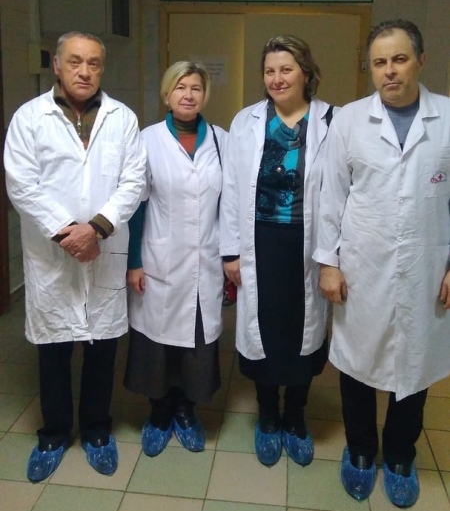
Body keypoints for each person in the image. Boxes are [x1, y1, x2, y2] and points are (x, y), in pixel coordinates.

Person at [314, 19, 450, 508]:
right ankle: (360, 449)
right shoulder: (349, 120)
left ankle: (399, 454)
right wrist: (328, 263)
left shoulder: (447, 117)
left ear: (420, 61)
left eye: (399, 59)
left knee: (414, 363)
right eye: (379, 62)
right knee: (357, 362)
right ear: (369, 68)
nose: (389, 71)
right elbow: (330, 197)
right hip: (362, 266)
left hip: (427, 266)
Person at [4, 32, 146, 482]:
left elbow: (134, 181)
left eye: (94, 63)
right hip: (52, 252)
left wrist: (97, 228)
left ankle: (97, 431)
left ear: (102, 68)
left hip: (103, 246)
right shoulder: (30, 118)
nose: (85, 71)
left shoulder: (122, 119)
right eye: (75, 62)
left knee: (102, 348)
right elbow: (21, 184)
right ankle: (53, 434)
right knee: (54, 349)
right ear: (57, 66)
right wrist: (70, 234)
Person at [219, 35, 334, 467]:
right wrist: (230, 251)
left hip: (309, 243)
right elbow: (232, 188)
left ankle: (296, 416)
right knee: (263, 329)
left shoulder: (332, 121)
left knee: (303, 329)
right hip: (259, 242)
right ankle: (268, 416)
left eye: (286, 69)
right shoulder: (247, 121)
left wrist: (333, 255)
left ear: (306, 72)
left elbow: (341, 191)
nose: (277, 78)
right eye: (269, 71)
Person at [124, 61, 227, 456]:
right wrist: (134, 261)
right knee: (157, 343)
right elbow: (136, 205)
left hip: (205, 260)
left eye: (196, 88)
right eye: (180, 87)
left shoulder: (221, 140)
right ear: (167, 95)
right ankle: (159, 413)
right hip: (159, 260)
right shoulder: (147, 140)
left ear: (204, 95)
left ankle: (185, 411)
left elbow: (231, 203)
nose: (188, 95)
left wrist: (230, 256)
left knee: (196, 344)